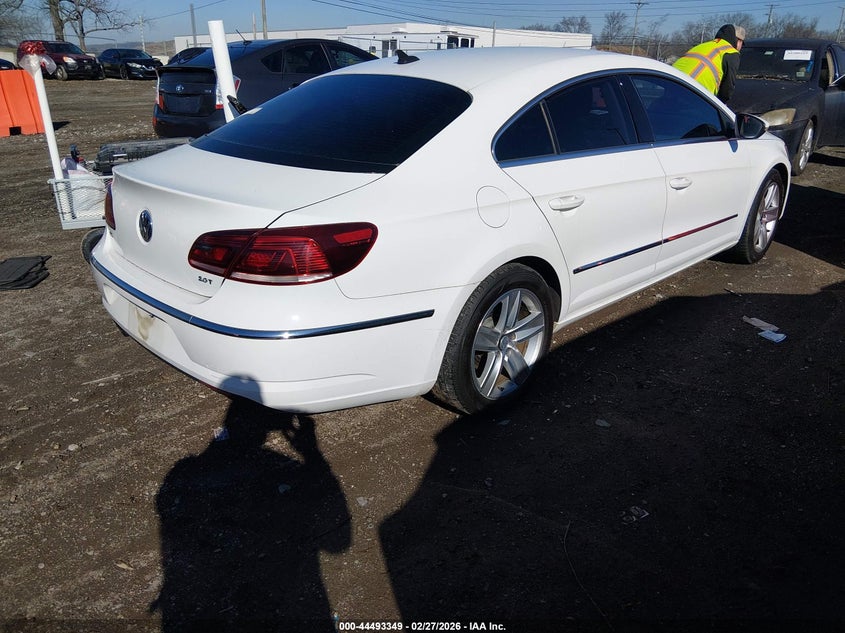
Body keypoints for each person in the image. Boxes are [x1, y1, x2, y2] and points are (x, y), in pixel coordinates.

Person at [673, 24, 745, 103]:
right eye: (742, 43)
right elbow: (727, 88)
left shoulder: (703, 46)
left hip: (670, 85)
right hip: (693, 96)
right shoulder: (731, 52)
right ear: (738, 41)